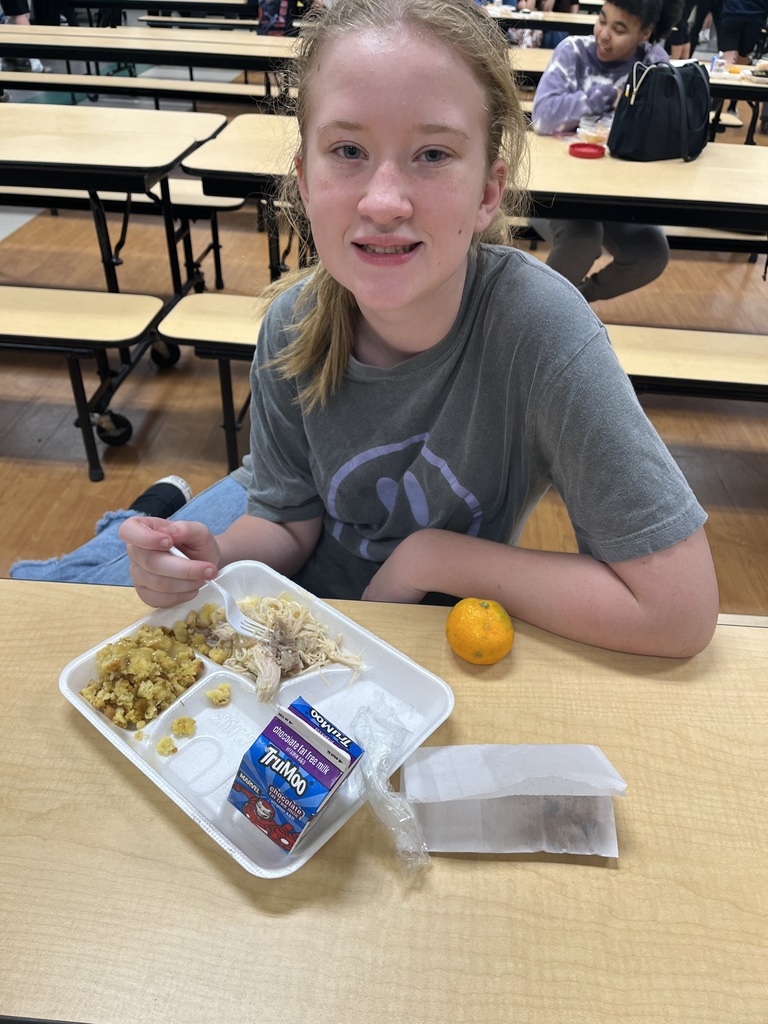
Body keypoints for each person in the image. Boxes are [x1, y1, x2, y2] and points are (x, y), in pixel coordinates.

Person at [11, 0, 719, 658]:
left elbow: (680, 611)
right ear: (304, 179)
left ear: (488, 191)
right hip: (302, 607)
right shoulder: (293, 323)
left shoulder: (541, 332)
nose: (383, 202)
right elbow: (290, 524)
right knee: (59, 602)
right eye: (348, 151)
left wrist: (433, 557)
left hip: (407, 633)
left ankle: (158, 501)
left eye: (433, 154)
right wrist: (215, 557)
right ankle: (159, 510)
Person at [530, 0, 683, 301]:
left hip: (615, 192)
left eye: (619, 29)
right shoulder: (573, 51)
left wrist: (657, 70)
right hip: (557, 189)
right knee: (583, 240)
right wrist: (604, 96)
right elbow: (543, 117)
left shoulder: (651, 67)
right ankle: (535, 319)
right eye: (602, 20)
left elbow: (658, 134)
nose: (603, 34)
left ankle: (575, 304)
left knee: (651, 253)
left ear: (645, 33)